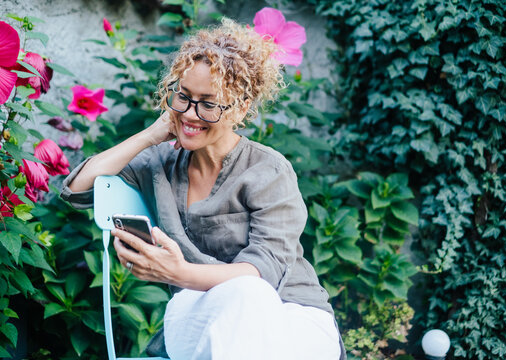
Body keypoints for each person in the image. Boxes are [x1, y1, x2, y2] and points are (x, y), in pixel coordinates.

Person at [61, 18, 344, 360]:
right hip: (198, 310)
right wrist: (150, 135)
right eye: (183, 97)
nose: (190, 114)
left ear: (240, 108)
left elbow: (264, 271)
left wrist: (178, 272)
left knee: (248, 293)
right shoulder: (159, 163)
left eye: (208, 104)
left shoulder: (268, 170)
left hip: (294, 315)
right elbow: (78, 190)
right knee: (245, 297)